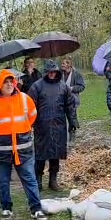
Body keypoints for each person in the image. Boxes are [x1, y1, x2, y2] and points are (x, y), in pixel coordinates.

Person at [0, 70, 46, 220]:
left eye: (11, 81)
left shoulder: (24, 99)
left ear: (14, 83)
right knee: (2, 181)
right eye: (5, 82)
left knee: (29, 178)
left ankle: (36, 208)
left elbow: (33, 115)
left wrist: (23, 128)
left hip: (23, 149)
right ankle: (6, 207)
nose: (8, 84)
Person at [28, 60, 78, 192]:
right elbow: (29, 106)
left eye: (54, 71)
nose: (52, 74)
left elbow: (70, 106)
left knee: (56, 153)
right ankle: (38, 180)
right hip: (42, 126)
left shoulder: (63, 87)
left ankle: (53, 180)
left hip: (58, 124)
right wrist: (30, 123)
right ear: (46, 72)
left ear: (57, 72)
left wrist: (73, 122)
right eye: (50, 72)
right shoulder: (36, 86)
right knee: (40, 154)